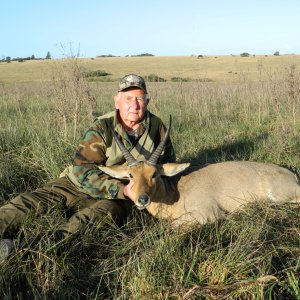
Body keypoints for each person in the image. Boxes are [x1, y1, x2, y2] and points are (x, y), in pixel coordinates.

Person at [0, 74, 176, 261]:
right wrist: (121, 188)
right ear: (117, 101)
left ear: (148, 101)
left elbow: (165, 171)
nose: (134, 104)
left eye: (140, 98)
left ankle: (24, 251)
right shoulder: (102, 126)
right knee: (27, 202)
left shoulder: (157, 128)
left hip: (120, 198)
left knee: (89, 220)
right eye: (128, 98)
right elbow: (81, 170)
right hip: (76, 185)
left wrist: (141, 193)